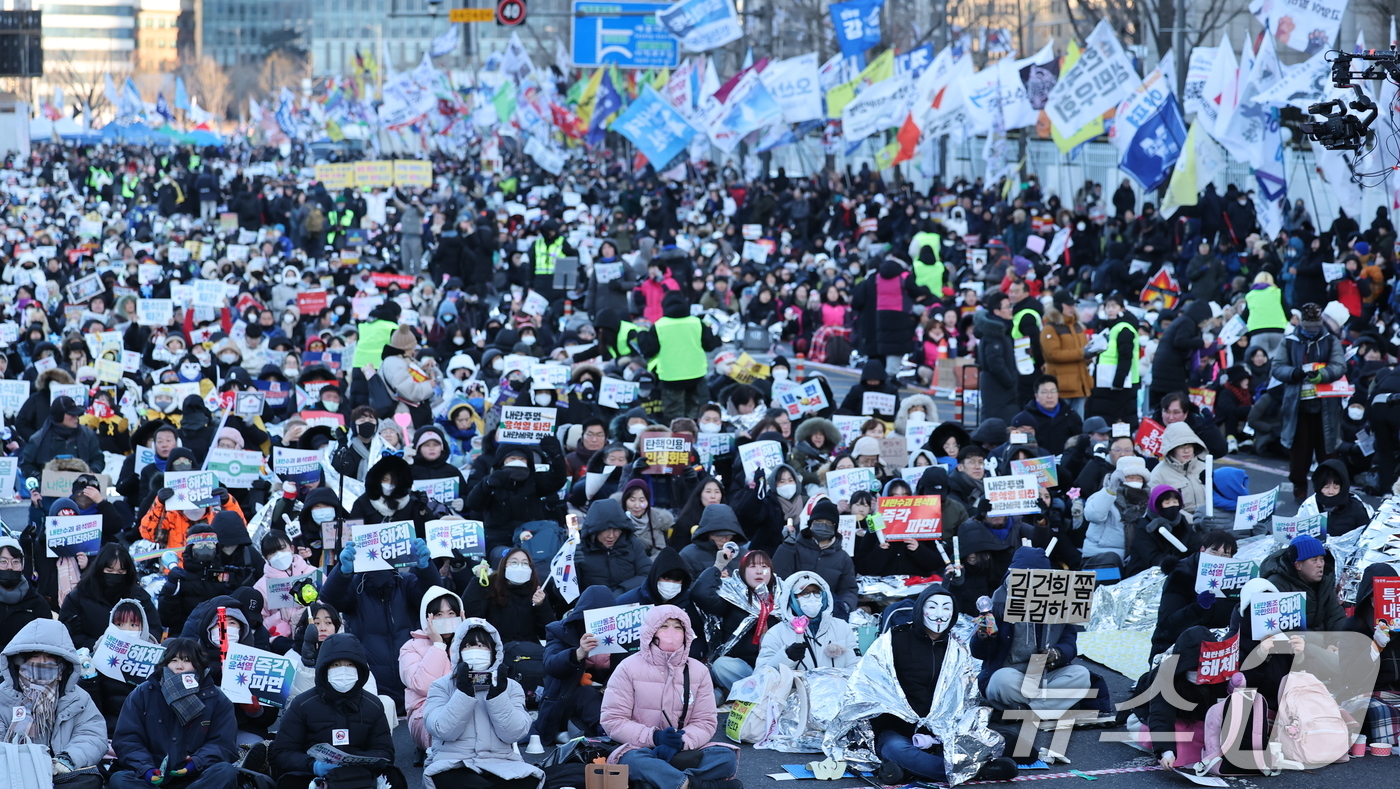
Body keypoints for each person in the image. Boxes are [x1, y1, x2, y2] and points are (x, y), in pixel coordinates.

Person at [863, 584, 1019, 784]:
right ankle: (976, 771)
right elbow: (870, 684)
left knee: (1013, 741)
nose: (939, 614)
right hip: (896, 729)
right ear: (920, 609)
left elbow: (965, 696)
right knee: (896, 749)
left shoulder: (955, 650)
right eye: (933, 607)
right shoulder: (893, 640)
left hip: (940, 733)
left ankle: (913, 771)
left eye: (946, 608)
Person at [599, 605, 740, 789]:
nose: (671, 632)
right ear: (651, 631)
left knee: (725, 757)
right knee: (631, 760)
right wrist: (655, 737)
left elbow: (705, 721)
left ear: (687, 633)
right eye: (664, 626)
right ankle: (695, 785)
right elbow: (613, 720)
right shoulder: (628, 667)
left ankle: (664, 781)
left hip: (682, 749)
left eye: (678, 627)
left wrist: (681, 741)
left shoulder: (698, 670)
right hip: (641, 749)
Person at [971, 547, 1094, 722]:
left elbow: (1069, 643)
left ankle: (1026, 711)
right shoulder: (997, 604)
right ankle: (1051, 708)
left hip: (1045, 672)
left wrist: (1057, 653)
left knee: (1081, 675)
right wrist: (984, 638)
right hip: (1012, 672)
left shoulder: (1059, 604)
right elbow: (980, 653)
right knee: (1001, 680)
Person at [421, 618, 543, 789]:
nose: (475, 651)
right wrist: (462, 694)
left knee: (529, 781)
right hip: (455, 764)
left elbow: (515, 733)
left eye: (482, 646)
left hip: (501, 763)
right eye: (468, 646)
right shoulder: (442, 686)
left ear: (494, 651)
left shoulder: (510, 687)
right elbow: (442, 730)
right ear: (458, 650)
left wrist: (497, 697)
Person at [320, 536, 438, 712]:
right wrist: (342, 573)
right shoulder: (355, 586)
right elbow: (329, 599)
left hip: (411, 684)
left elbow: (434, 598)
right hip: (372, 687)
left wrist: (426, 568)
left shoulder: (406, 582)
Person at [269, 633, 402, 789]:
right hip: (314, 775)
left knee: (394, 778)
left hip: (361, 775)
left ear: (360, 669)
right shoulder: (302, 704)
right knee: (290, 782)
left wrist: (359, 761)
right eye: (336, 665)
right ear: (324, 668)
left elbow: (385, 751)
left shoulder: (373, 705)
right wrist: (314, 765)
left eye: (350, 665)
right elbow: (283, 752)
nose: (343, 671)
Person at [110, 637, 239, 789]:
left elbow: (223, 742)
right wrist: (146, 769)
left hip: (196, 777)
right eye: (174, 660)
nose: (179, 666)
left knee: (225, 771)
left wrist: (196, 762)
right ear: (165, 663)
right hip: (153, 776)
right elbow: (128, 739)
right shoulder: (143, 693)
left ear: (198, 664)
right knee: (119, 779)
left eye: (186, 660)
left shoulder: (216, 697)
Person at [1271, 303, 1347, 502]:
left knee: (1328, 452)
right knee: (1299, 455)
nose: (1312, 331)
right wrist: (1294, 373)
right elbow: (1277, 367)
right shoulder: (1289, 342)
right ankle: (1299, 487)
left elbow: (1340, 366)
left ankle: (1330, 489)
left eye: (1315, 327)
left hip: (1326, 407)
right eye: (1308, 327)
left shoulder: (1331, 340)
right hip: (1298, 407)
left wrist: (1322, 374)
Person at [535, 585, 621, 743]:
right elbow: (551, 665)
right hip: (566, 701)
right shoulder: (560, 631)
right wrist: (578, 653)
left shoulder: (620, 633)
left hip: (608, 697)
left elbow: (626, 665)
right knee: (586, 694)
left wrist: (610, 684)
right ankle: (606, 732)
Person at [1149, 532, 1240, 658]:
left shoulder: (1234, 579)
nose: (1218, 558)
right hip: (1175, 647)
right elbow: (1168, 625)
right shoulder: (1181, 575)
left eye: (1225, 555)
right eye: (1213, 552)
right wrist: (1198, 608)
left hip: (1216, 648)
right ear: (1202, 550)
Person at [637, 291, 722, 422]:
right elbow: (710, 345)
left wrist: (642, 333)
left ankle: (678, 439)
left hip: (670, 376)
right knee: (696, 414)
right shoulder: (697, 323)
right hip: (696, 374)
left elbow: (648, 350)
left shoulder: (660, 325)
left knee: (674, 417)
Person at [398, 586, 463, 752]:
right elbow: (423, 686)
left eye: (451, 613)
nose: (446, 619)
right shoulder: (410, 647)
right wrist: (438, 646)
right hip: (426, 714)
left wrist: (460, 641)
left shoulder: (469, 643)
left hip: (465, 709)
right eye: (439, 615)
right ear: (428, 618)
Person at [755, 572, 859, 672]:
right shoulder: (776, 634)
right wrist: (786, 657)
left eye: (816, 592)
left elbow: (856, 667)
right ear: (791, 598)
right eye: (805, 593)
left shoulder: (841, 627)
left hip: (836, 689)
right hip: (797, 690)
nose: (812, 598)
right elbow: (761, 676)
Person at [772, 499, 858, 618]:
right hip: (794, 611)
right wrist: (786, 545)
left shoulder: (843, 558)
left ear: (835, 528)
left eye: (828, 523)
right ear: (811, 524)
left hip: (828, 614)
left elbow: (849, 588)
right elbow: (778, 575)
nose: (823, 525)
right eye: (818, 521)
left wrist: (845, 605)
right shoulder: (794, 548)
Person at [1261, 535, 1346, 633]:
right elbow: (1282, 632)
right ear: (1298, 565)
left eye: (1322, 559)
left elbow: (1335, 617)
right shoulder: (1276, 586)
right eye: (1314, 560)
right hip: (1294, 645)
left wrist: (1340, 641)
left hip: (1321, 642)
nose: (1320, 564)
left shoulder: (1325, 581)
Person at [1081, 455, 1150, 573]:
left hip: (1131, 561)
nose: (1135, 482)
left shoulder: (1147, 502)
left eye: (1139, 478)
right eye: (1130, 477)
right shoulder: (1103, 495)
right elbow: (1094, 515)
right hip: (1100, 560)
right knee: (1111, 565)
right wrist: (1110, 490)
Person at [575, 498, 653, 595]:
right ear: (594, 530)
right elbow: (563, 592)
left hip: (628, 601)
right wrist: (573, 568)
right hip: (593, 605)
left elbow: (647, 574)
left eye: (616, 530)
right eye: (606, 530)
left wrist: (622, 591)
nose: (611, 536)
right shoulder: (578, 550)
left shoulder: (632, 544)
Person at [1295, 459, 1373, 537]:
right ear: (1319, 487)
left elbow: (1367, 536)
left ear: (1343, 488)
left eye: (1335, 487)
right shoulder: (1311, 506)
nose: (1331, 491)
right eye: (1326, 487)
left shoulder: (1356, 507)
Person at [1148, 422, 1209, 520]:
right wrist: (1193, 521)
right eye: (1181, 447)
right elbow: (1159, 506)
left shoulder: (1204, 467)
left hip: (1208, 521)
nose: (1186, 451)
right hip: (1179, 525)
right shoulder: (1159, 473)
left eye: (1189, 446)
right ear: (1171, 449)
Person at [975, 292, 1020, 422]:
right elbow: (995, 363)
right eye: (1007, 307)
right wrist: (1010, 382)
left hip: (1003, 394)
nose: (1011, 310)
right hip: (997, 393)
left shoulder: (1002, 330)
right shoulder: (993, 333)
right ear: (996, 311)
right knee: (996, 430)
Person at [1012, 375, 1083, 454]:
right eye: (1044, 392)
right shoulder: (1027, 418)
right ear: (1036, 396)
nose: (1049, 396)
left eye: (1053, 391)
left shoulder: (1070, 415)